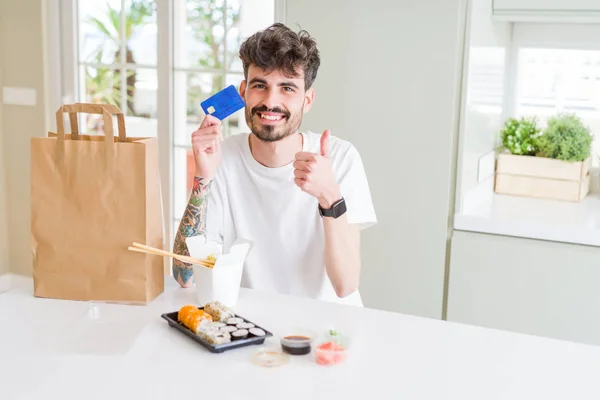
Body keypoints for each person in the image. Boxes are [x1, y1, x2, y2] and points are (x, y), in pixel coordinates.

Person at [172, 23, 376, 306]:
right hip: (254, 331)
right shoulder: (224, 157)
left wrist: (330, 197)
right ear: (243, 91)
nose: (271, 101)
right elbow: (185, 277)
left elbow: (346, 285)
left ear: (307, 100)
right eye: (260, 85)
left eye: (287, 88)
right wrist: (203, 177)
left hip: (326, 333)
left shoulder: (340, 158)